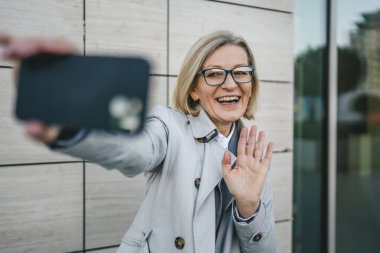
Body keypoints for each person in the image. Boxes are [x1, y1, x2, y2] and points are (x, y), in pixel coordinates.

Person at [0, 31, 276, 252]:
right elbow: (133, 152)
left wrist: (248, 206)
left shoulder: (254, 156)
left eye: (241, 71)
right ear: (193, 89)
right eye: (214, 74)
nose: (230, 84)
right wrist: (69, 126)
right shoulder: (169, 127)